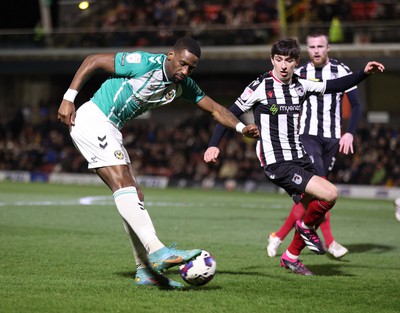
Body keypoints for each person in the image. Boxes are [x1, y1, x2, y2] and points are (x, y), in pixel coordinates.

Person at [57, 37, 259, 289]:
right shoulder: (144, 63)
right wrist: (69, 97)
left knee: (133, 194)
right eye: (183, 64)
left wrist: (241, 127)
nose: (185, 72)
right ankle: (157, 251)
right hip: (93, 119)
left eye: (191, 68)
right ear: (170, 55)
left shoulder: (183, 85)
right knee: (123, 182)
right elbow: (93, 60)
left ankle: (144, 271)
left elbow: (216, 110)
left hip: (112, 129)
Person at [204, 38, 384, 275]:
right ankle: (305, 229)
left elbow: (335, 86)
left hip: (300, 157)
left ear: (296, 62)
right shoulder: (260, 86)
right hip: (276, 161)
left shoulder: (301, 84)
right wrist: (214, 144)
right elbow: (228, 113)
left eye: (288, 60)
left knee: (314, 207)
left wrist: (364, 73)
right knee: (330, 194)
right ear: (272, 60)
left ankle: (291, 256)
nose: (283, 66)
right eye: (278, 60)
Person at [267, 32, 363, 259]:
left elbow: (357, 105)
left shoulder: (342, 71)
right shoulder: (299, 72)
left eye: (321, 46)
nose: (317, 50)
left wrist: (349, 133)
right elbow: (278, 105)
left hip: (332, 138)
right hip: (307, 136)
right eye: (312, 47)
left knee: (312, 197)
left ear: (328, 48)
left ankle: (279, 236)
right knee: (322, 192)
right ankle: (329, 242)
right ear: (307, 51)